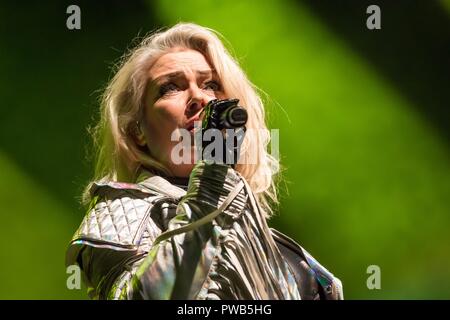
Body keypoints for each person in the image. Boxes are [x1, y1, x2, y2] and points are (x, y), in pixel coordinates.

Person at [65, 22, 343, 300]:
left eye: (211, 84)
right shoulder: (118, 216)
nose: (198, 97)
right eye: (170, 88)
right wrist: (212, 178)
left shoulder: (277, 247)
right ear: (137, 131)